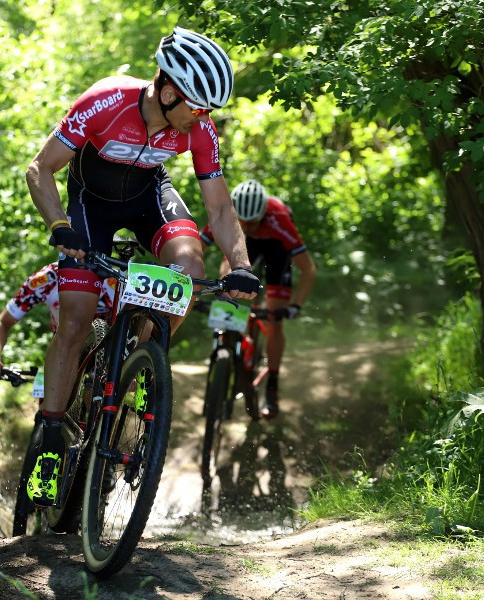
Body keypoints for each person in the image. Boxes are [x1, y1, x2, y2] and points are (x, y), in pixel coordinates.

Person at [23, 27, 260, 506]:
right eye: (198, 107)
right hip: (89, 205)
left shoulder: (198, 130)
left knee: (188, 266)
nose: (203, 119)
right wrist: (60, 226)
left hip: (149, 196)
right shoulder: (107, 101)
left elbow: (219, 209)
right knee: (75, 320)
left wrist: (240, 264)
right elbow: (39, 168)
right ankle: (49, 442)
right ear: (168, 92)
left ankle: (144, 358)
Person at [201, 179, 317, 420]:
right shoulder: (227, 212)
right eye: (242, 221)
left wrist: (295, 306)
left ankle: (272, 385)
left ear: (263, 215)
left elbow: (308, 268)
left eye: (252, 222)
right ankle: (228, 340)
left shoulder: (279, 218)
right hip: (245, 245)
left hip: (276, 249)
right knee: (228, 279)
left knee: (274, 318)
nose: (248, 226)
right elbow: (195, 247)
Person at [0, 262, 117, 381]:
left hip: (105, 346)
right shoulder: (47, 279)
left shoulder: (112, 281)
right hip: (64, 343)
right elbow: (2, 323)